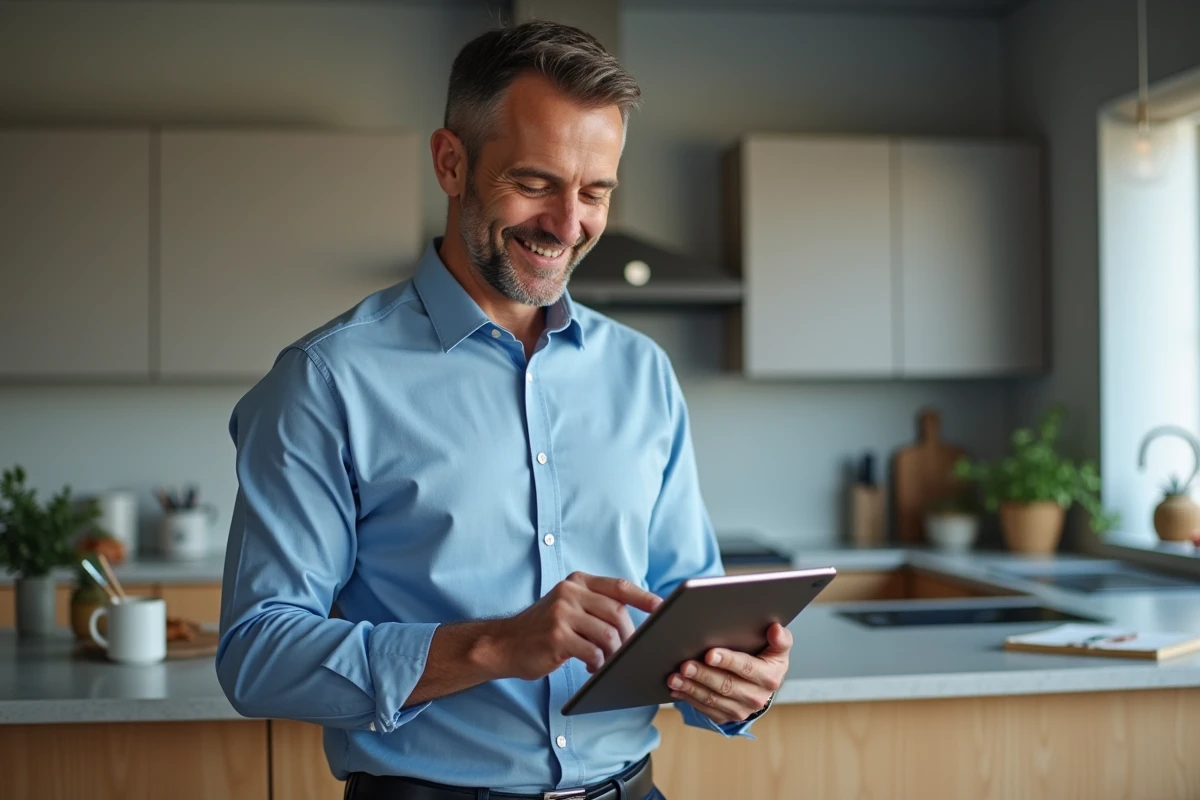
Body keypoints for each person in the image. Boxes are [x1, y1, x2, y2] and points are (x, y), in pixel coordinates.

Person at [216, 19, 792, 800]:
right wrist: (495, 646)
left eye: (595, 192)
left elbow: (685, 607)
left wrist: (736, 676)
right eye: (535, 183)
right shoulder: (326, 381)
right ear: (451, 163)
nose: (569, 224)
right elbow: (257, 654)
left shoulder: (642, 373)